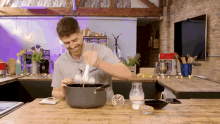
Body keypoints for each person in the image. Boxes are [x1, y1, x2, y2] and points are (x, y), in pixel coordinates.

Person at [51, 17, 132, 100]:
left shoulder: (101, 51)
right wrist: (63, 93)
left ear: (81, 33)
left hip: (104, 108)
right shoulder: (60, 62)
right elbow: (55, 92)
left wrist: (99, 63)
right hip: (74, 108)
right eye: (67, 43)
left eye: (75, 40)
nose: (72, 46)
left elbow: (127, 74)